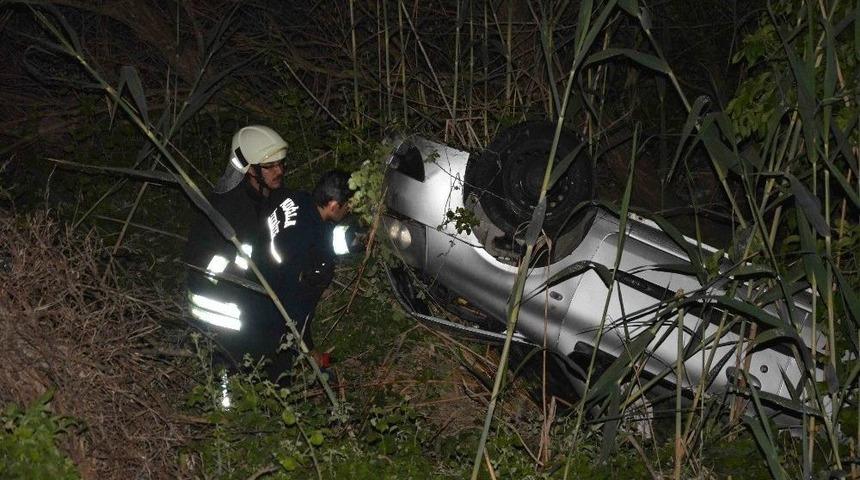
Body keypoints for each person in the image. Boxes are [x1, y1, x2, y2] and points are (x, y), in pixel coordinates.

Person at [184, 124, 290, 380]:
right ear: (249, 169)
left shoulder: (266, 197)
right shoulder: (228, 211)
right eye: (269, 166)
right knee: (230, 373)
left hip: (246, 297)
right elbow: (207, 268)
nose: (279, 171)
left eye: (281, 164)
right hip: (220, 308)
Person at [261, 170, 357, 358]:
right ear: (333, 206)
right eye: (347, 206)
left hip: (259, 267)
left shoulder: (291, 196)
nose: (349, 210)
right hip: (270, 303)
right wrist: (309, 349)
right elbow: (300, 309)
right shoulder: (317, 251)